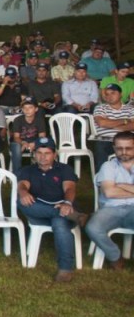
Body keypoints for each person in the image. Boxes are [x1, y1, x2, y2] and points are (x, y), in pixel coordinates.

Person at [17, 137, 84, 282]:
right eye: (39, 153)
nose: (42, 156)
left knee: (60, 223)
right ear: (34, 154)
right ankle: (75, 216)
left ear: (54, 154)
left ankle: (65, 270)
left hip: (63, 208)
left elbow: (70, 188)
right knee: (21, 202)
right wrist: (23, 192)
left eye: (47, 153)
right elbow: (23, 185)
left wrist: (66, 203)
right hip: (39, 211)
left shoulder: (64, 169)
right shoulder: (28, 170)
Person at [84, 131, 134, 270]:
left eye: (128, 148)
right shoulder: (108, 166)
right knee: (93, 227)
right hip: (111, 209)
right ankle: (115, 256)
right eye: (119, 148)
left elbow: (113, 189)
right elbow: (109, 192)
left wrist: (121, 185)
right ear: (114, 148)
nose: (123, 152)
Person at [90, 83, 134, 170]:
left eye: (113, 93)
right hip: (108, 140)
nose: (109, 96)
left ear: (121, 94)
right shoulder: (100, 108)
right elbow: (102, 123)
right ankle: (102, 178)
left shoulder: (130, 109)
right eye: (107, 94)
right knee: (100, 146)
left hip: (128, 139)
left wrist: (111, 124)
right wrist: (125, 121)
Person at [9, 97, 47, 175]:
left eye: (30, 107)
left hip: (34, 142)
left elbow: (42, 136)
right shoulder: (18, 120)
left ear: (36, 109)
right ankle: (17, 175)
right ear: (22, 109)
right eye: (25, 108)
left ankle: (41, 173)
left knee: (44, 144)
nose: (27, 110)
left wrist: (34, 143)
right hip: (20, 142)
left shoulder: (39, 120)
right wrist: (23, 142)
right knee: (16, 147)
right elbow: (16, 137)